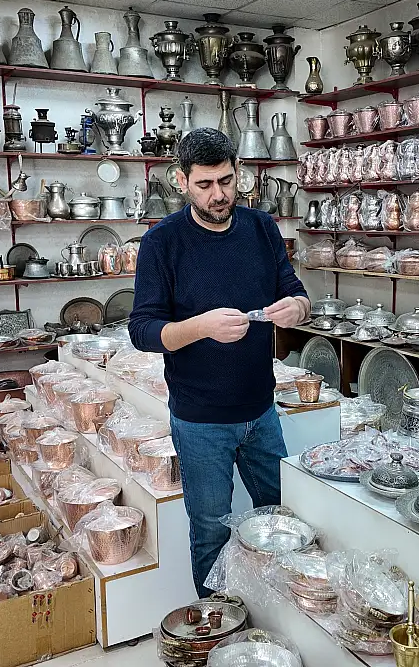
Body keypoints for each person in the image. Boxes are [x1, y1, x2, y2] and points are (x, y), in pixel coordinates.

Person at [128, 128, 310, 596]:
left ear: (238, 172)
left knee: (282, 517)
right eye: (205, 185)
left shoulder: (262, 228)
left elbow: (294, 290)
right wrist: (200, 327)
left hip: (261, 411)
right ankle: (219, 620)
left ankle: (283, 610)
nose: (219, 195)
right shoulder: (162, 242)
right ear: (181, 180)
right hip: (200, 420)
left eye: (226, 181)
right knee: (211, 530)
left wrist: (297, 308)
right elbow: (142, 330)